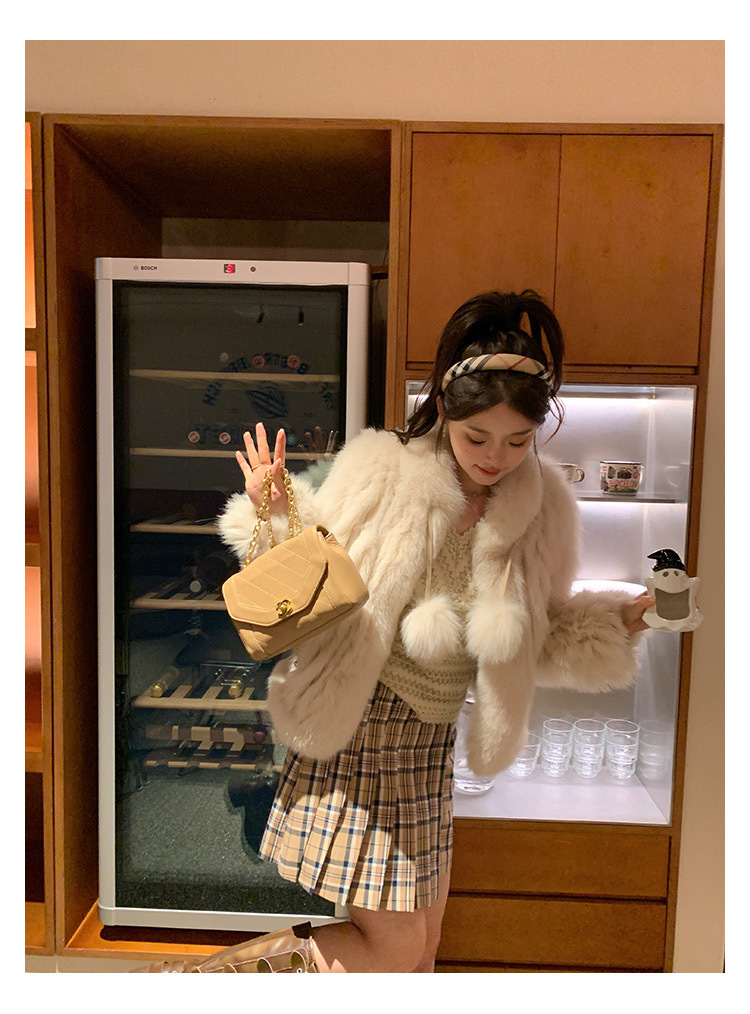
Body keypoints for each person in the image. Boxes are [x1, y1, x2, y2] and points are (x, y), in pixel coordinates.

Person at [134, 289, 654, 974]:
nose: (495, 457)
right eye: (477, 437)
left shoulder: (543, 507)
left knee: (425, 946)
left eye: (518, 441)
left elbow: (539, 633)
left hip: (430, 744)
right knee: (396, 944)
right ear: (444, 410)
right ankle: (195, 986)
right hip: (364, 727)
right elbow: (311, 585)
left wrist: (619, 622)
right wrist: (275, 513)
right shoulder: (383, 470)